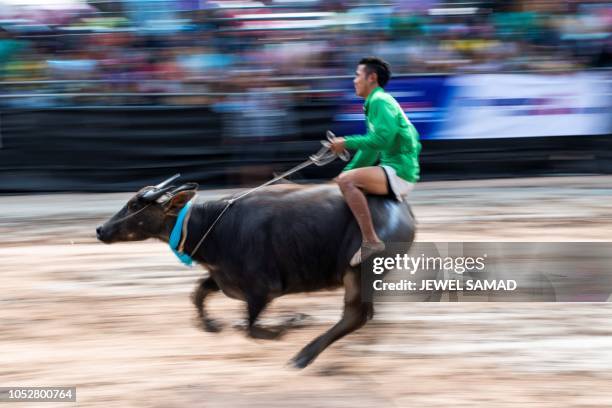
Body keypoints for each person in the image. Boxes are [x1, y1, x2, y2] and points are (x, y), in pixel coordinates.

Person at [329, 57, 421, 267]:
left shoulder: (380, 101)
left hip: (399, 171)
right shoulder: (374, 102)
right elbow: (371, 149)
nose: (354, 80)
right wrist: (348, 170)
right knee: (345, 180)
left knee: (347, 182)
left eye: (357, 75)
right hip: (392, 167)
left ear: (372, 78)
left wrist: (346, 142)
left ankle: (371, 240)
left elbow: (382, 140)